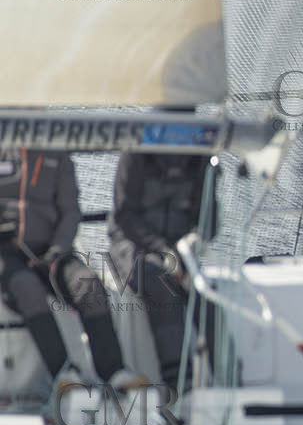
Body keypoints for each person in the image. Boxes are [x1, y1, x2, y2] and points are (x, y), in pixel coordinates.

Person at [0, 149, 145, 395]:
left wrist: (57, 250)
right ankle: (65, 374)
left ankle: (114, 371)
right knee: (27, 286)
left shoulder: (57, 155)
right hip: (7, 256)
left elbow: (70, 211)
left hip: (52, 253)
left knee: (88, 284)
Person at [109, 151, 212, 390]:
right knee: (161, 284)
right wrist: (163, 250)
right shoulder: (135, 155)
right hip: (131, 244)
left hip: (179, 247)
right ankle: (179, 381)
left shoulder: (199, 159)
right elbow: (124, 215)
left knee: (207, 294)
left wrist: (195, 238)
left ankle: (228, 378)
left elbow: (208, 220)